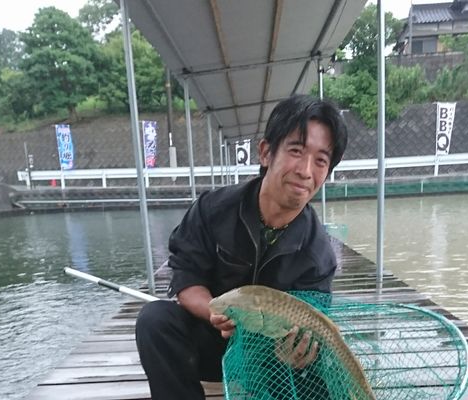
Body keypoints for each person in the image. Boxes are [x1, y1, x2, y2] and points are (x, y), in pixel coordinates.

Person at [135, 94, 348, 400]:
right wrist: (213, 312)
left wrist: (299, 354)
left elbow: (313, 323)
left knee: (318, 377)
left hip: (273, 358)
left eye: (320, 160)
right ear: (265, 152)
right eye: (296, 151)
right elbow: (186, 278)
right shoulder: (213, 209)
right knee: (155, 320)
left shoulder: (319, 255)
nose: (305, 170)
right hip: (213, 341)